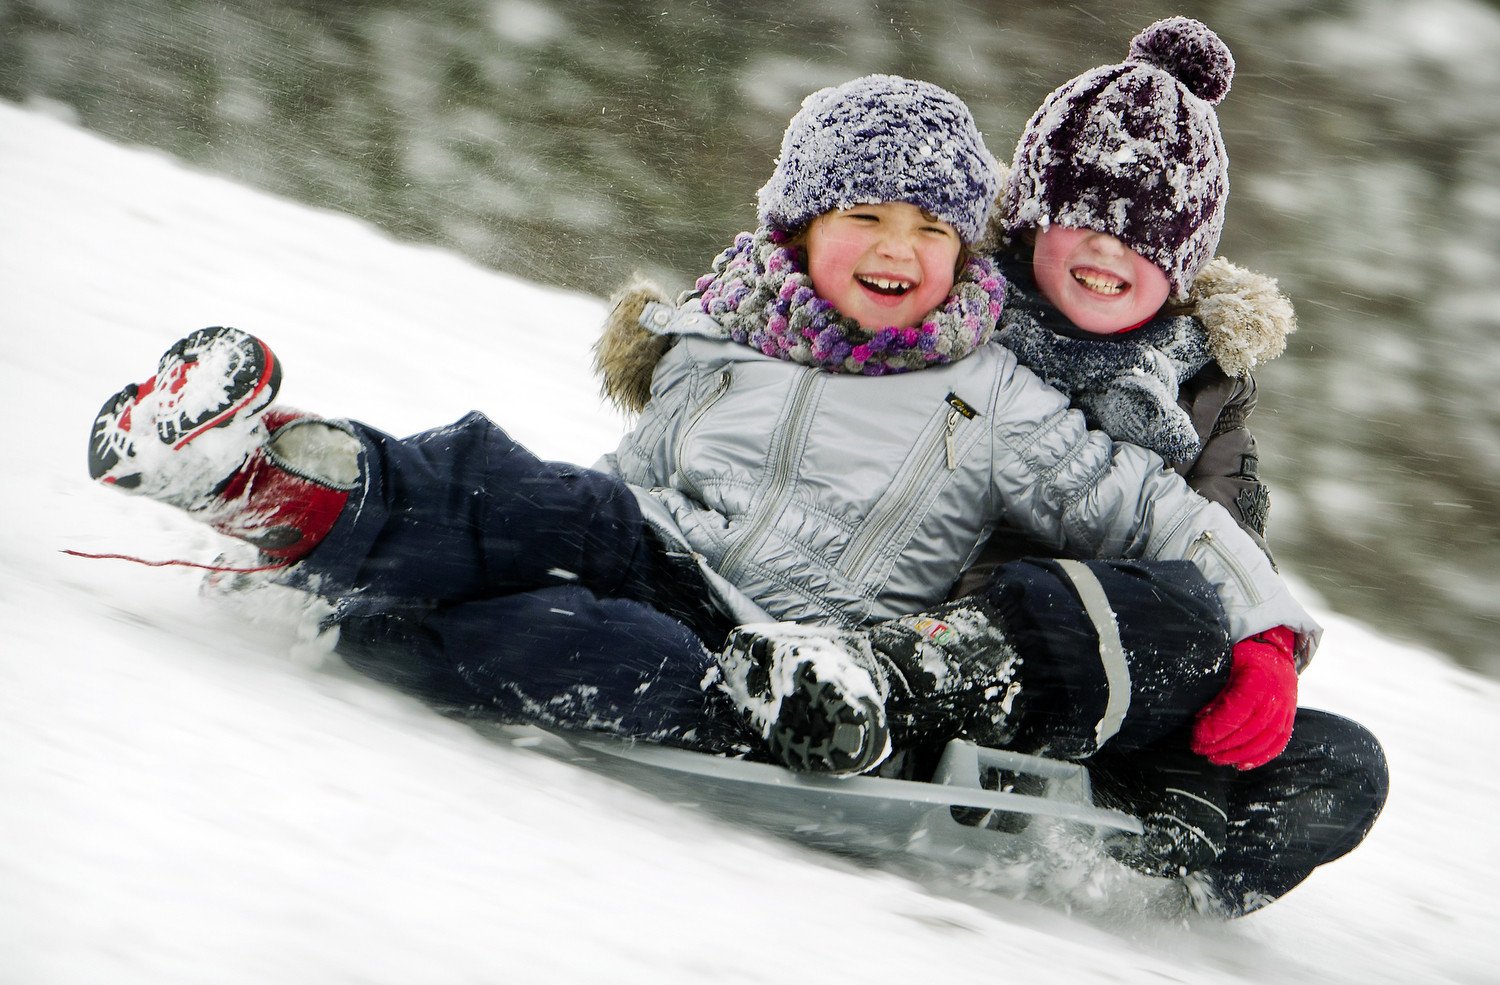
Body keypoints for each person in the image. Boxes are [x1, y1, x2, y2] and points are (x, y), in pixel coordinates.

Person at [87, 71, 1337, 913]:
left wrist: (1268, 635)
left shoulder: (997, 391)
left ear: (970, 253)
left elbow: (1172, 520)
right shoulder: (720, 327)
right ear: (794, 226)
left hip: (784, 641)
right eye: (863, 214)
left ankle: (406, 626)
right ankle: (274, 476)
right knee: (517, 488)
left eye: (932, 228)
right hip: (651, 535)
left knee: (606, 648)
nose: (898, 249)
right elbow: (629, 481)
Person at [694, 19, 1384, 916]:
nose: (1107, 251)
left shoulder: (1204, 389)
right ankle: (875, 703)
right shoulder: (956, 308)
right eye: (1080, 221)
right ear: (1029, 219)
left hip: (1119, 667)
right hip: (930, 618)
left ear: (1181, 267)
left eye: (1143, 236)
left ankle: (1133, 855)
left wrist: (1264, 650)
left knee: (1340, 764)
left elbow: (1224, 536)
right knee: (1098, 601)